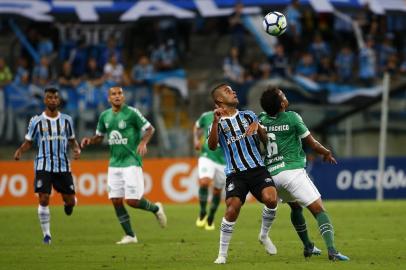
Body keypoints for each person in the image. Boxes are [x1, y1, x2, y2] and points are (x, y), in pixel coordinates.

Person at [258, 86, 349, 261]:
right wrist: (326, 152)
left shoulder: (261, 119)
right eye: (282, 95)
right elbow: (312, 143)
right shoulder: (292, 117)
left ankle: (308, 246)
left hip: (272, 175)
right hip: (292, 171)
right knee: (319, 210)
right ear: (282, 104)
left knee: (295, 206)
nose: (285, 96)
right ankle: (332, 251)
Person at [80, 86, 167, 244]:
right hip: (114, 164)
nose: (117, 96)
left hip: (131, 162)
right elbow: (99, 137)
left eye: (120, 93)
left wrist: (143, 142)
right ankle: (130, 236)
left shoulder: (132, 113)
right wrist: (90, 140)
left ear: (124, 96)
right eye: (113, 94)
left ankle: (156, 208)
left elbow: (149, 129)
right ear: (109, 98)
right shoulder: (104, 116)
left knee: (132, 201)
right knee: (115, 200)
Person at [208, 83, 278, 264]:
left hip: (257, 168)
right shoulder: (217, 122)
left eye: (232, 90)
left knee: (271, 199)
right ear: (219, 100)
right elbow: (212, 145)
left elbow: (263, 141)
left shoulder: (249, 115)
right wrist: (215, 122)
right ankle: (222, 254)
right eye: (227, 91)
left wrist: (259, 128)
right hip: (235, 173)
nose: (233, 92)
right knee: (232, 208)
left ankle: (263, 235)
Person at [13, 87, 81, 244]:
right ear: (45, 100)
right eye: (49, 97)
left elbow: (71, 140)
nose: (52, 100)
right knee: (43, 198)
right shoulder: (36, 121)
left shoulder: (67, 120)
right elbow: (29, 142)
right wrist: (20, 151)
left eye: (55, 97)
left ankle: (68, 204)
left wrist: (76, 149)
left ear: (58, 100)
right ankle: (47, 235)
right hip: (43, 165)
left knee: (70, 201)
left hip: (63, 166)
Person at [193, 111, 226, 231]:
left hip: (224, 160)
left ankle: (211, 216)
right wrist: (196, 140)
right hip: (207, 155)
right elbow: (196, 127)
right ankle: (202, 212)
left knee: (217, 191)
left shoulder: (233, 117)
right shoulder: (206, 116)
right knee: (204, 182)